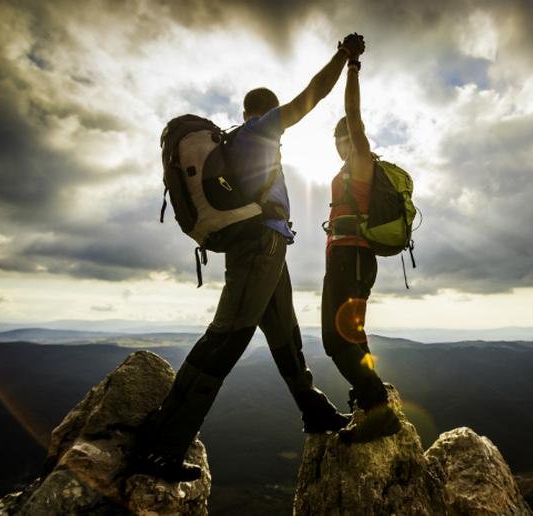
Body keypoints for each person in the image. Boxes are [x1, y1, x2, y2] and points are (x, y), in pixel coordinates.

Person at [133, 33, 367, 482]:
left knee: (286, 339)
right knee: (226, 339)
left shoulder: (236, 139)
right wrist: (344, 57)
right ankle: (162, 446)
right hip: (260, 246)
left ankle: (314, 412)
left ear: (242, 111)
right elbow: (312, 96)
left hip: (267, 247)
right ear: (264, 111)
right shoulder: (261, 129)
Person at [322, 46, 401, 444]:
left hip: (352, 256)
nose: (343, 144)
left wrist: (351, 68)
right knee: (350, 336)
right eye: (338, 140)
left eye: (345, 138)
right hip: (343, 257)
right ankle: (372, 402)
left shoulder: (362, 160)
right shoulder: (345, 171)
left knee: (334, 341)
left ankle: (377, 412)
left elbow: (354, 115)